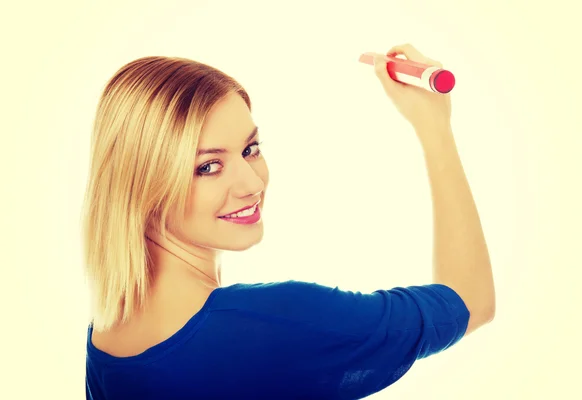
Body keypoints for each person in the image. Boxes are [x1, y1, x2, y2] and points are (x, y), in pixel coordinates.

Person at [83, 43, 495, 400]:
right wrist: (434, 126)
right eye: (208, 166)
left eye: (250, 149)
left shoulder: (108, 331)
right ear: (141, 184)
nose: (251, 183)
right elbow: (470, 302)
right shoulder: (276, 322)